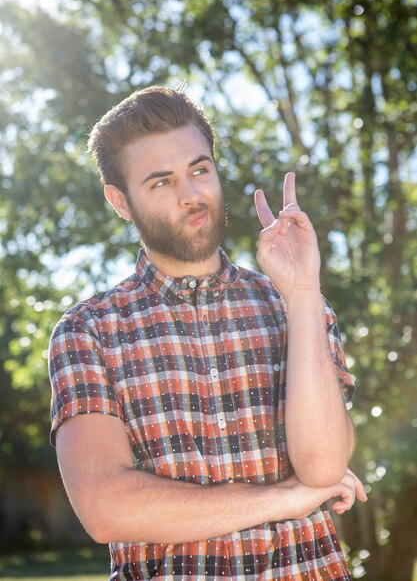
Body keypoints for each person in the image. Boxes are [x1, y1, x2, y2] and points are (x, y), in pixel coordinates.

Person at [48, 85, 367, 581]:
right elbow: (107, 509)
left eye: (200, 170)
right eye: (161, 182)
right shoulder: (89, 331)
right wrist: (284, 498)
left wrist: (303, 290)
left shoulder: (295, 303)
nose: (191, 195)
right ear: (120, 201)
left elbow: (324, 467)